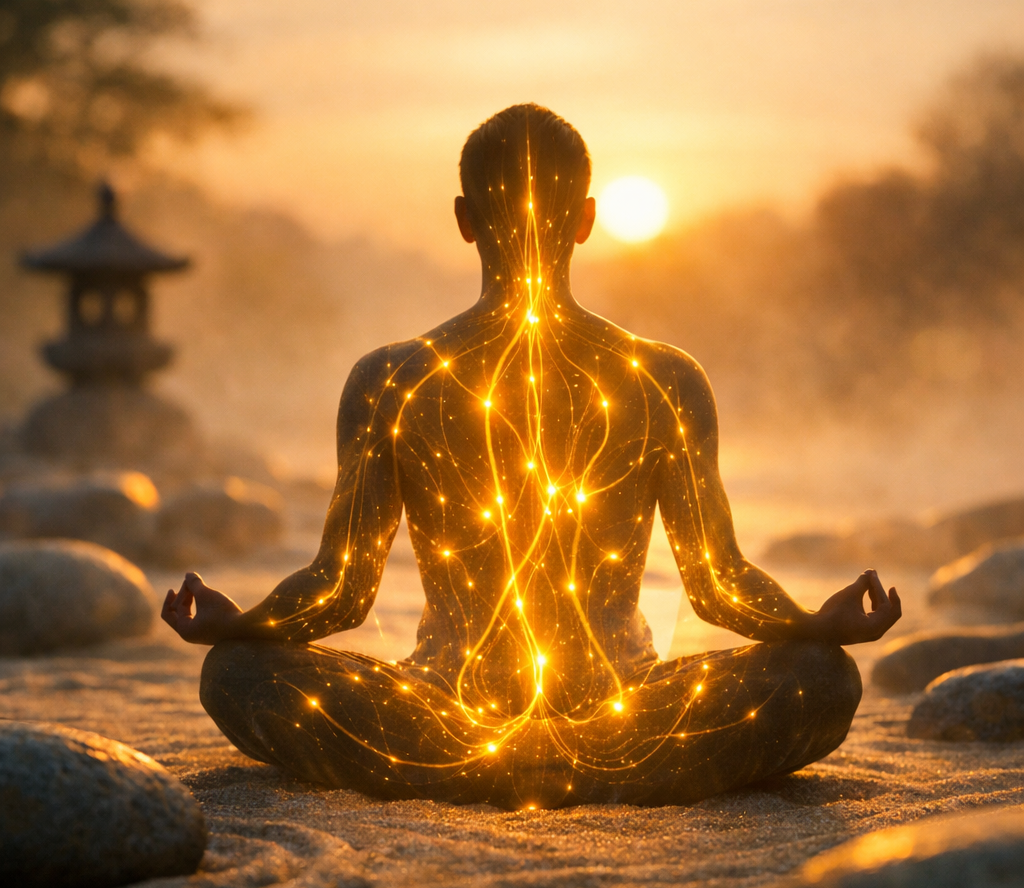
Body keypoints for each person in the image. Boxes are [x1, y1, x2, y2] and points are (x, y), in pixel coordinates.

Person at [162, 104, 901, 808]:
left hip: (454, 715)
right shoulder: (664, 377)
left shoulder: (391, 378)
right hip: (610, 715)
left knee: (237, 675)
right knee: (818, 680)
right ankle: (597, 772)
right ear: (586, 218)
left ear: (464, 220)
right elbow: (718, 586)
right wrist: (813, 625)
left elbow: (340, 590)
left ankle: (466, 774)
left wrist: (242, 628)